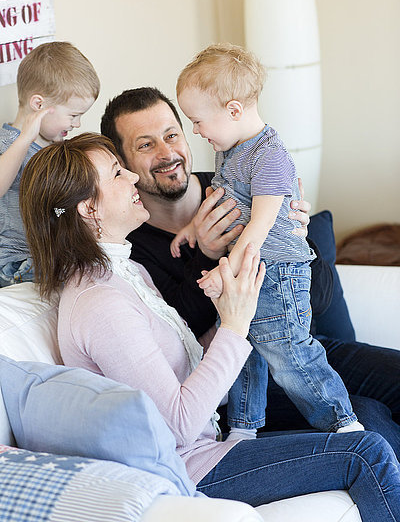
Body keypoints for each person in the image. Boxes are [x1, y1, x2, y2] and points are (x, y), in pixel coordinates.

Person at [19, 133, 400, 519]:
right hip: (189, 468)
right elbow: (181, 424)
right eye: (118, 173)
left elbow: (184, 368)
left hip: (210, 438)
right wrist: (235, 325)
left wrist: (250, 286)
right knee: (365, 454)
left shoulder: (125, 271)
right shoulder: (100, 303)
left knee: (364, 412)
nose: (133, 178)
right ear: (89, 209)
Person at [100, 85, 400, 453]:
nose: (166, 154)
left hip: (302, 342)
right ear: (124, 163)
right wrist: (207, 255)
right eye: (145, 145)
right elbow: (175, 335)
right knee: (369, 417)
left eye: (171, 135)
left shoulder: (237, 179)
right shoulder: (129, 239)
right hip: (240, 377)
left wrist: (297, 241)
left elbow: (320, 297)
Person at [171, 43, 362, 439]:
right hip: (253, 269)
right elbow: (226, 196)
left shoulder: (269, 157)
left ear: (234, 110)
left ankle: (342, 422)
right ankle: (242, 429)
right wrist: (192, 229)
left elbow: (256, 230)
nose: (197, 132)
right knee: (244, 350)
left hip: (276, 272)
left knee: (287, 350)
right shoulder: (231, 147)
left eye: (198, 122)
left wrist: (226, 274)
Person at [0, 41, 99, 287]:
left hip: (47, 256)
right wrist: (25, 139)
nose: (76, 124)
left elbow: (54, 210)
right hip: (16, 262)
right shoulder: (9, 145)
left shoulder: (52, 148)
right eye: (73, 115)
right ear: (39, 105)